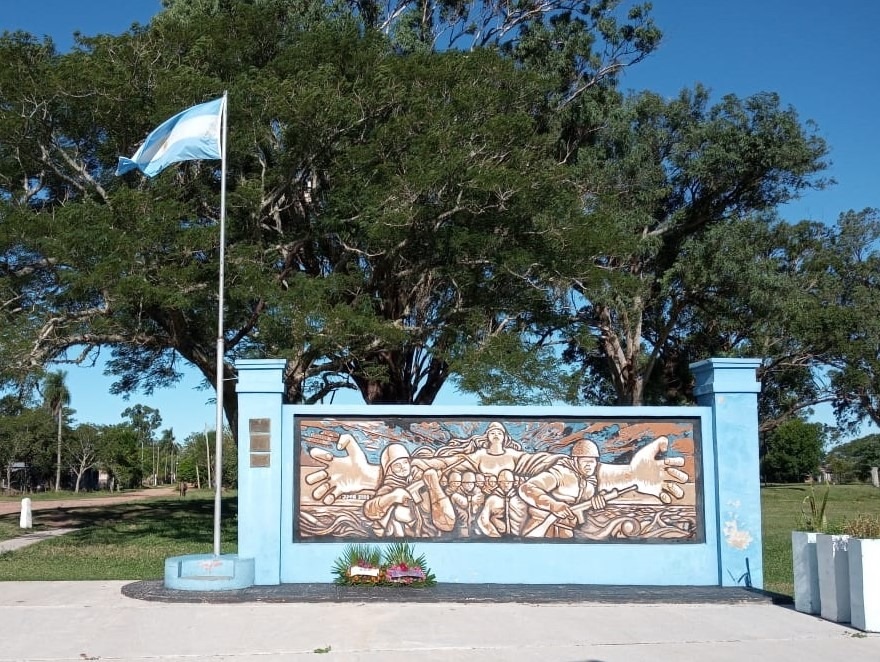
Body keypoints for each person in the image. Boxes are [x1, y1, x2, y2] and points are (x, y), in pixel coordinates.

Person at [516, 439, 607, 538]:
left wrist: (596, 502)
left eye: (592, 461)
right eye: (585, 461)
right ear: (575, 460)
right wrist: (553, 505)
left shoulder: (590, 484)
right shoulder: (560, 474)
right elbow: (527, 488)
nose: (589, 465)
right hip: (542, 527)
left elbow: (583, 509)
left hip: (567, 532)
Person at [363, 443, 456, 537]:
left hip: (429, 534)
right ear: (389, 469)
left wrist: (434, 484)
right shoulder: (388, 488)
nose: (403, 467)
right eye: (397, 465)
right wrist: (393, 497)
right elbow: (370, 510)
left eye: (405, 462)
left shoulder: (418, 478)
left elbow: (447, 524)